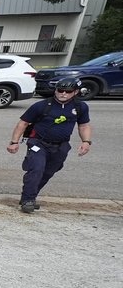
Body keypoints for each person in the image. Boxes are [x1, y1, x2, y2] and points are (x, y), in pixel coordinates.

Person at [8, 76, 92, 213]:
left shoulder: (80, 107)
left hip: (61, 146)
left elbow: (84, 125)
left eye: (68, 91)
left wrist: (86, 142)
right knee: (37, 169)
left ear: (75, 92)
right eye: (60, 90)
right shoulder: (41, 105)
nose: (63, 93)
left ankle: (30, 197)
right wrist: (14, 142)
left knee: (47, 173)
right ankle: (28, 200)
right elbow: (23, 123)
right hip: (38, 143)